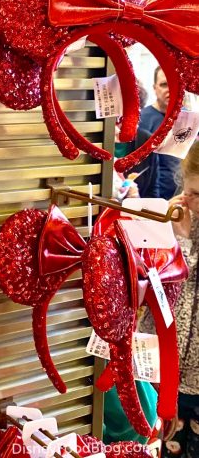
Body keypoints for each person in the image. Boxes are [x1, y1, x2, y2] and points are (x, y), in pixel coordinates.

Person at [155, 141, 199, 457]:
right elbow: (160, 288)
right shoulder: (180, 217)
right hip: (168, 371)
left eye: (196, 194)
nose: (190, 201)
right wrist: (168, 234)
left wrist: (183, 242)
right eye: (189, 191)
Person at [139, 67, 181, 200]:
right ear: (154, 88)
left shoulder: (189, 119)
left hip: (185, 198)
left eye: (174, 84)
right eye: (164, 84)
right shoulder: (142, 120)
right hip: (153, 199)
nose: (170, 89)